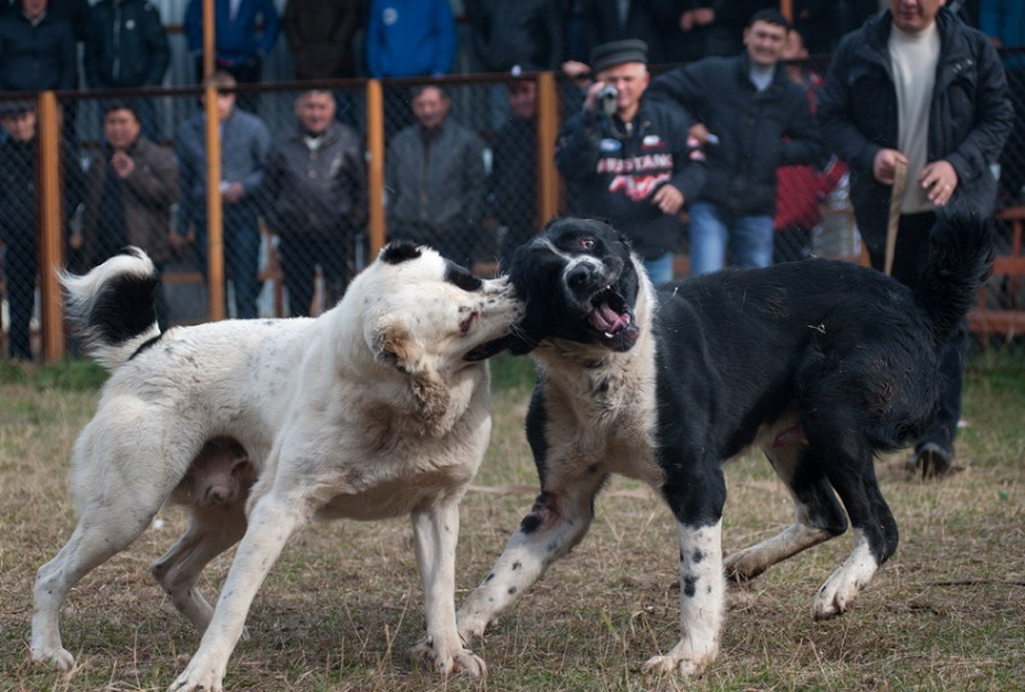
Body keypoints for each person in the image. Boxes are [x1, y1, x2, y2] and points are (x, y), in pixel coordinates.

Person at [817, 0, 1014, 476]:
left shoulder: (971, 48)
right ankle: (893, 425)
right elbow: (832, 116)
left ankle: (936, 438)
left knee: (947, 321)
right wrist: (870, 155)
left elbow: (998, 117)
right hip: (887, 210)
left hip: (954, 208)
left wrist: (956, 165)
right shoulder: (857, 47)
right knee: (894, 319)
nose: (910, 2)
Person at [646, 8, 823, 275]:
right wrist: (689, 126)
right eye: (761, 35)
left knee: (755, 290)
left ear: (785, 44)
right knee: (705, 283)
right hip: (709, 198)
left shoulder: (791, 94)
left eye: (775, 38)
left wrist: (775, 151)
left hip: (757, 204)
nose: (766, 43)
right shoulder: (715, 72)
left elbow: (814, 145)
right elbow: (659, 91)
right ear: (746, 36)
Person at [556, 39, 706, 283]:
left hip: (655, 247)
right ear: (598, 83)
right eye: (612, 80)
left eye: (628, 79)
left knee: (657, 318)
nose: (621, 87)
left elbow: (696, 164)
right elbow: (571, 168)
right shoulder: (580, 124)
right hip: (600, 252)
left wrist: (680, 187)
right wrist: (590, 118)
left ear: (644, 80)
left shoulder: (668, 120)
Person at [176, 71, 271, 319]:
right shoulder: (188, 131)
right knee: (214, 288)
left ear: (234, 96)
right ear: (202, 97)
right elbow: (184, 181)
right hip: (204, 217)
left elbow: (268, 170)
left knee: (245, 288)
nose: (219, 100)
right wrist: (180, 226)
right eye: (214, 94)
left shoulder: (253, 126)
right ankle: (220, 345)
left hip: (243, 217)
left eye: (226, 94)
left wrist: (244, 186)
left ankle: (250, 348)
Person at [263, 90, 367, 317]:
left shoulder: (348, 140)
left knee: (339, 298)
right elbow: (269, 187)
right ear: (297, 109)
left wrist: (354, 223)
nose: (316, 113)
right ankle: (300, 349)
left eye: (322, 107)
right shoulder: (282, 142)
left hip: (336, 233)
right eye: (310, 107)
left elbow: (362, 186)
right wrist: (277, 223)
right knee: (298, 298)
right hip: (295, 234)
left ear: (332, 109)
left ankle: (338, 350)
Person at [80, 102, 178, 328]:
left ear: (137, 126)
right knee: (111, 308)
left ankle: (159, 351)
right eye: (111, 123)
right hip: (104, 246)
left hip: (145, 248)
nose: (117, 128)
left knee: (150, 305)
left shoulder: (156, 156)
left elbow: (169, 195)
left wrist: (133, 174)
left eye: (123, 122)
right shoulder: (99, 160)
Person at [385, 85, 486, 267]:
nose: (427, 110)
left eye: (432, 104)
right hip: (408, 233)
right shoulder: (400, 143)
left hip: (452, 234)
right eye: (421, 105)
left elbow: (476, 187)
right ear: (413, 107)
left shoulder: (466, 142)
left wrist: (468, 226)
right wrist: (394, 224)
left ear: (445, 104)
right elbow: (390, 186)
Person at [773, 25, 847, 262]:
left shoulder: (823, 93)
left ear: (803, 53)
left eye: (788, 45)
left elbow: (838, 141)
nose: (781, 52)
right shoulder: (765, 93)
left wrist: (824, 183)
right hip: (779, 199)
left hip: (830, 190)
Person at [84, 0, 171, 140]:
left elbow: (160, 52)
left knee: (146, 141)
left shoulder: (145, 10)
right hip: (107, 92)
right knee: (109, 143)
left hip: (140, 92)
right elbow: (90, 54)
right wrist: (97, 86)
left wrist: (149, 86)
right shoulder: (98, 12)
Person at [184, 0, 280, 113]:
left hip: (247, 62)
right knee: (211, 107)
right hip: (214, 61)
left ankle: (247, 131)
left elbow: (273, 21)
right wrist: (199, 49)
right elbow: (192, 20)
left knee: (248, 107)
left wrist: (262, 49)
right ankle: (211, 131)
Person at [488, 80, 539, 268]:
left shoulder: (556, 125)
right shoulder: (505, 132)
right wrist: (498, 207)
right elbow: (496, 175)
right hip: (516, 225)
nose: (521, 100)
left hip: (550, 220)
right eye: (515, 94)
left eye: (526, 92)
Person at [980, 0, 1025, 202]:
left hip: (1013, 58)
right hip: (1013, 63)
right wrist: (991, 36)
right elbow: (990, 10)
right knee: (1014, 127)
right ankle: (1013, 188)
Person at [365, 0, 456, 79]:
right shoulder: (380, 2)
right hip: (388, 80)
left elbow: (446, 35)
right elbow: (373, 39)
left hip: (427, 79)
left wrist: (438, 74)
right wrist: (377, 75)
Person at [0, 0, 76, 94]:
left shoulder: (61, 27)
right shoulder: (5, 26)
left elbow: (69, 67)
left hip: (52, 98)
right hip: (12, 99)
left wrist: (62, 101)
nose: (35, 1)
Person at [283, 0, 362, 81]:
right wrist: (298, 46)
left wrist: (338, 42)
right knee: (309, 89)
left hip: (338, 57)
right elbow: (289, 19)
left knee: (340, 88)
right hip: (306, 59)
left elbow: (351, 14)